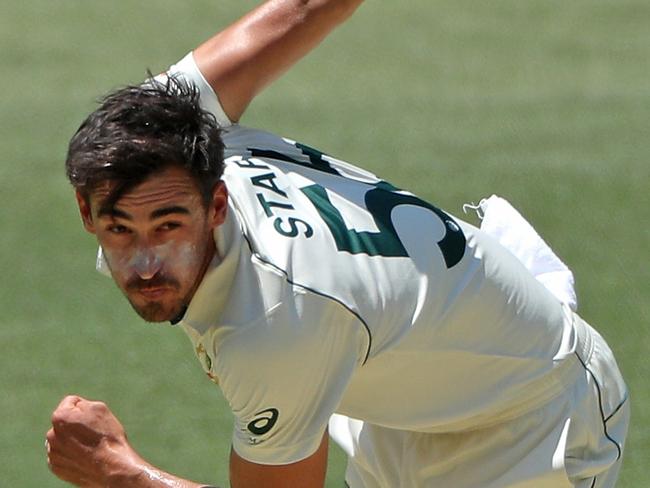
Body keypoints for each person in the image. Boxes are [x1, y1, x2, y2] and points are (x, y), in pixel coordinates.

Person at [46, 1, 630, 487]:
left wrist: (119, 472)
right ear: (86, 212)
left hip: (532, 426)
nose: (146, 262)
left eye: (169, 226)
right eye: (121, 229)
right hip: (418, 380)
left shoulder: (274, 324)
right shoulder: (164, 125)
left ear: (215, 204)